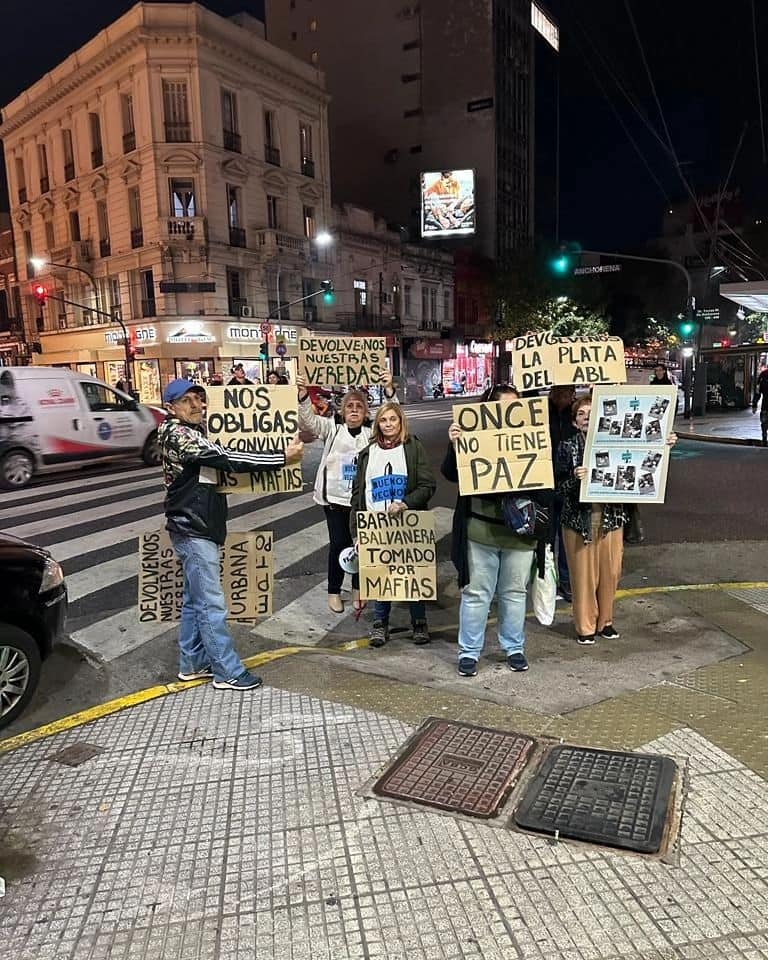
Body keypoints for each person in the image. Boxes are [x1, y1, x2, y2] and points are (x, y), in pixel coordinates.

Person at [158, 378, 303, 690]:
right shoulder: (177, 433)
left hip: (198, 525)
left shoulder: (194, 430)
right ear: (170, 407)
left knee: (195, 601)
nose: (197, 405)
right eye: (187, 401)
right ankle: (227, 672)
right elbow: (228, 459)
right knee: (210, 603)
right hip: (192, 527)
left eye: (198, 398)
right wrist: (281, 458)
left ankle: (193, 663)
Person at [557, 395, 676, 645]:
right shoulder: (567, 447)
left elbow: (645, 454)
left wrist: (664, 443)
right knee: (584, 576)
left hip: (611, 519)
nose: (587, 417)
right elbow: (556, 489)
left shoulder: (617, 442)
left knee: (610, 573)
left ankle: (606, 622)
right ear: (574, 421)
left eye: (592, 412)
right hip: (579, 521)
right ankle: (586, 626)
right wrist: (574, 480)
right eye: (581, 413)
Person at [442, 384, 540, 677]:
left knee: (513, 592)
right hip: (480, 531)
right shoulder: (471, 435)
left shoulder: (534, 436)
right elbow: (450, 473)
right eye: (505, 407)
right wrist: (455, 444)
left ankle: (514, 647)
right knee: (476, 594)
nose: (512, 412)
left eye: (517, 406)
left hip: (520, 533)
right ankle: (469, 652)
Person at [296, 371, 397, 613]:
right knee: (339, 544)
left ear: (365, 412)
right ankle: (333, 590)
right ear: (342, 410)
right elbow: (308, 421)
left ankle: (358, 589)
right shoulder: (331, 428)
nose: (353, 410)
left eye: (358, 407)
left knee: (362, 545)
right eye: (349, 406)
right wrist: (302, 395)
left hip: (363, 502)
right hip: (334, 501)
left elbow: (391, 417)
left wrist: (388, 389)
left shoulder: (371, 433)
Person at [350, 402, 436, 646]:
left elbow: (428, 486)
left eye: (392, 420)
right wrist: (357, 532)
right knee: (381, 575)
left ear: (401, 423)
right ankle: (380, 623)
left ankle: (419, 622)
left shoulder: (413, 447)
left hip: (408, 524)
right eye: (383, 420)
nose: (388, 424)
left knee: (412, 574)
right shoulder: (368, 452)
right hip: (375, 525)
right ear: (378, 423)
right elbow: (358, 494)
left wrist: (405, 504)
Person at [547, 385, 577, 601]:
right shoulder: (539, 411)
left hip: (567, 485)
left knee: (566, 538)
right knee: (545, 538)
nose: (565, 396)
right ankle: (545, 580)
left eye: (569, 392)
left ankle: (566, 582)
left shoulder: (575, 414)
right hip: (545, 484)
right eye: (562, 392)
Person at [752, 366, 768, 446]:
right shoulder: (763, 374)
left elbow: (758, 392)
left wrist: (754, 404)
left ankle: (764, 440)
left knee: (764, 424)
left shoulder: (763, 374)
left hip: (765, 405)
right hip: (765, 405)